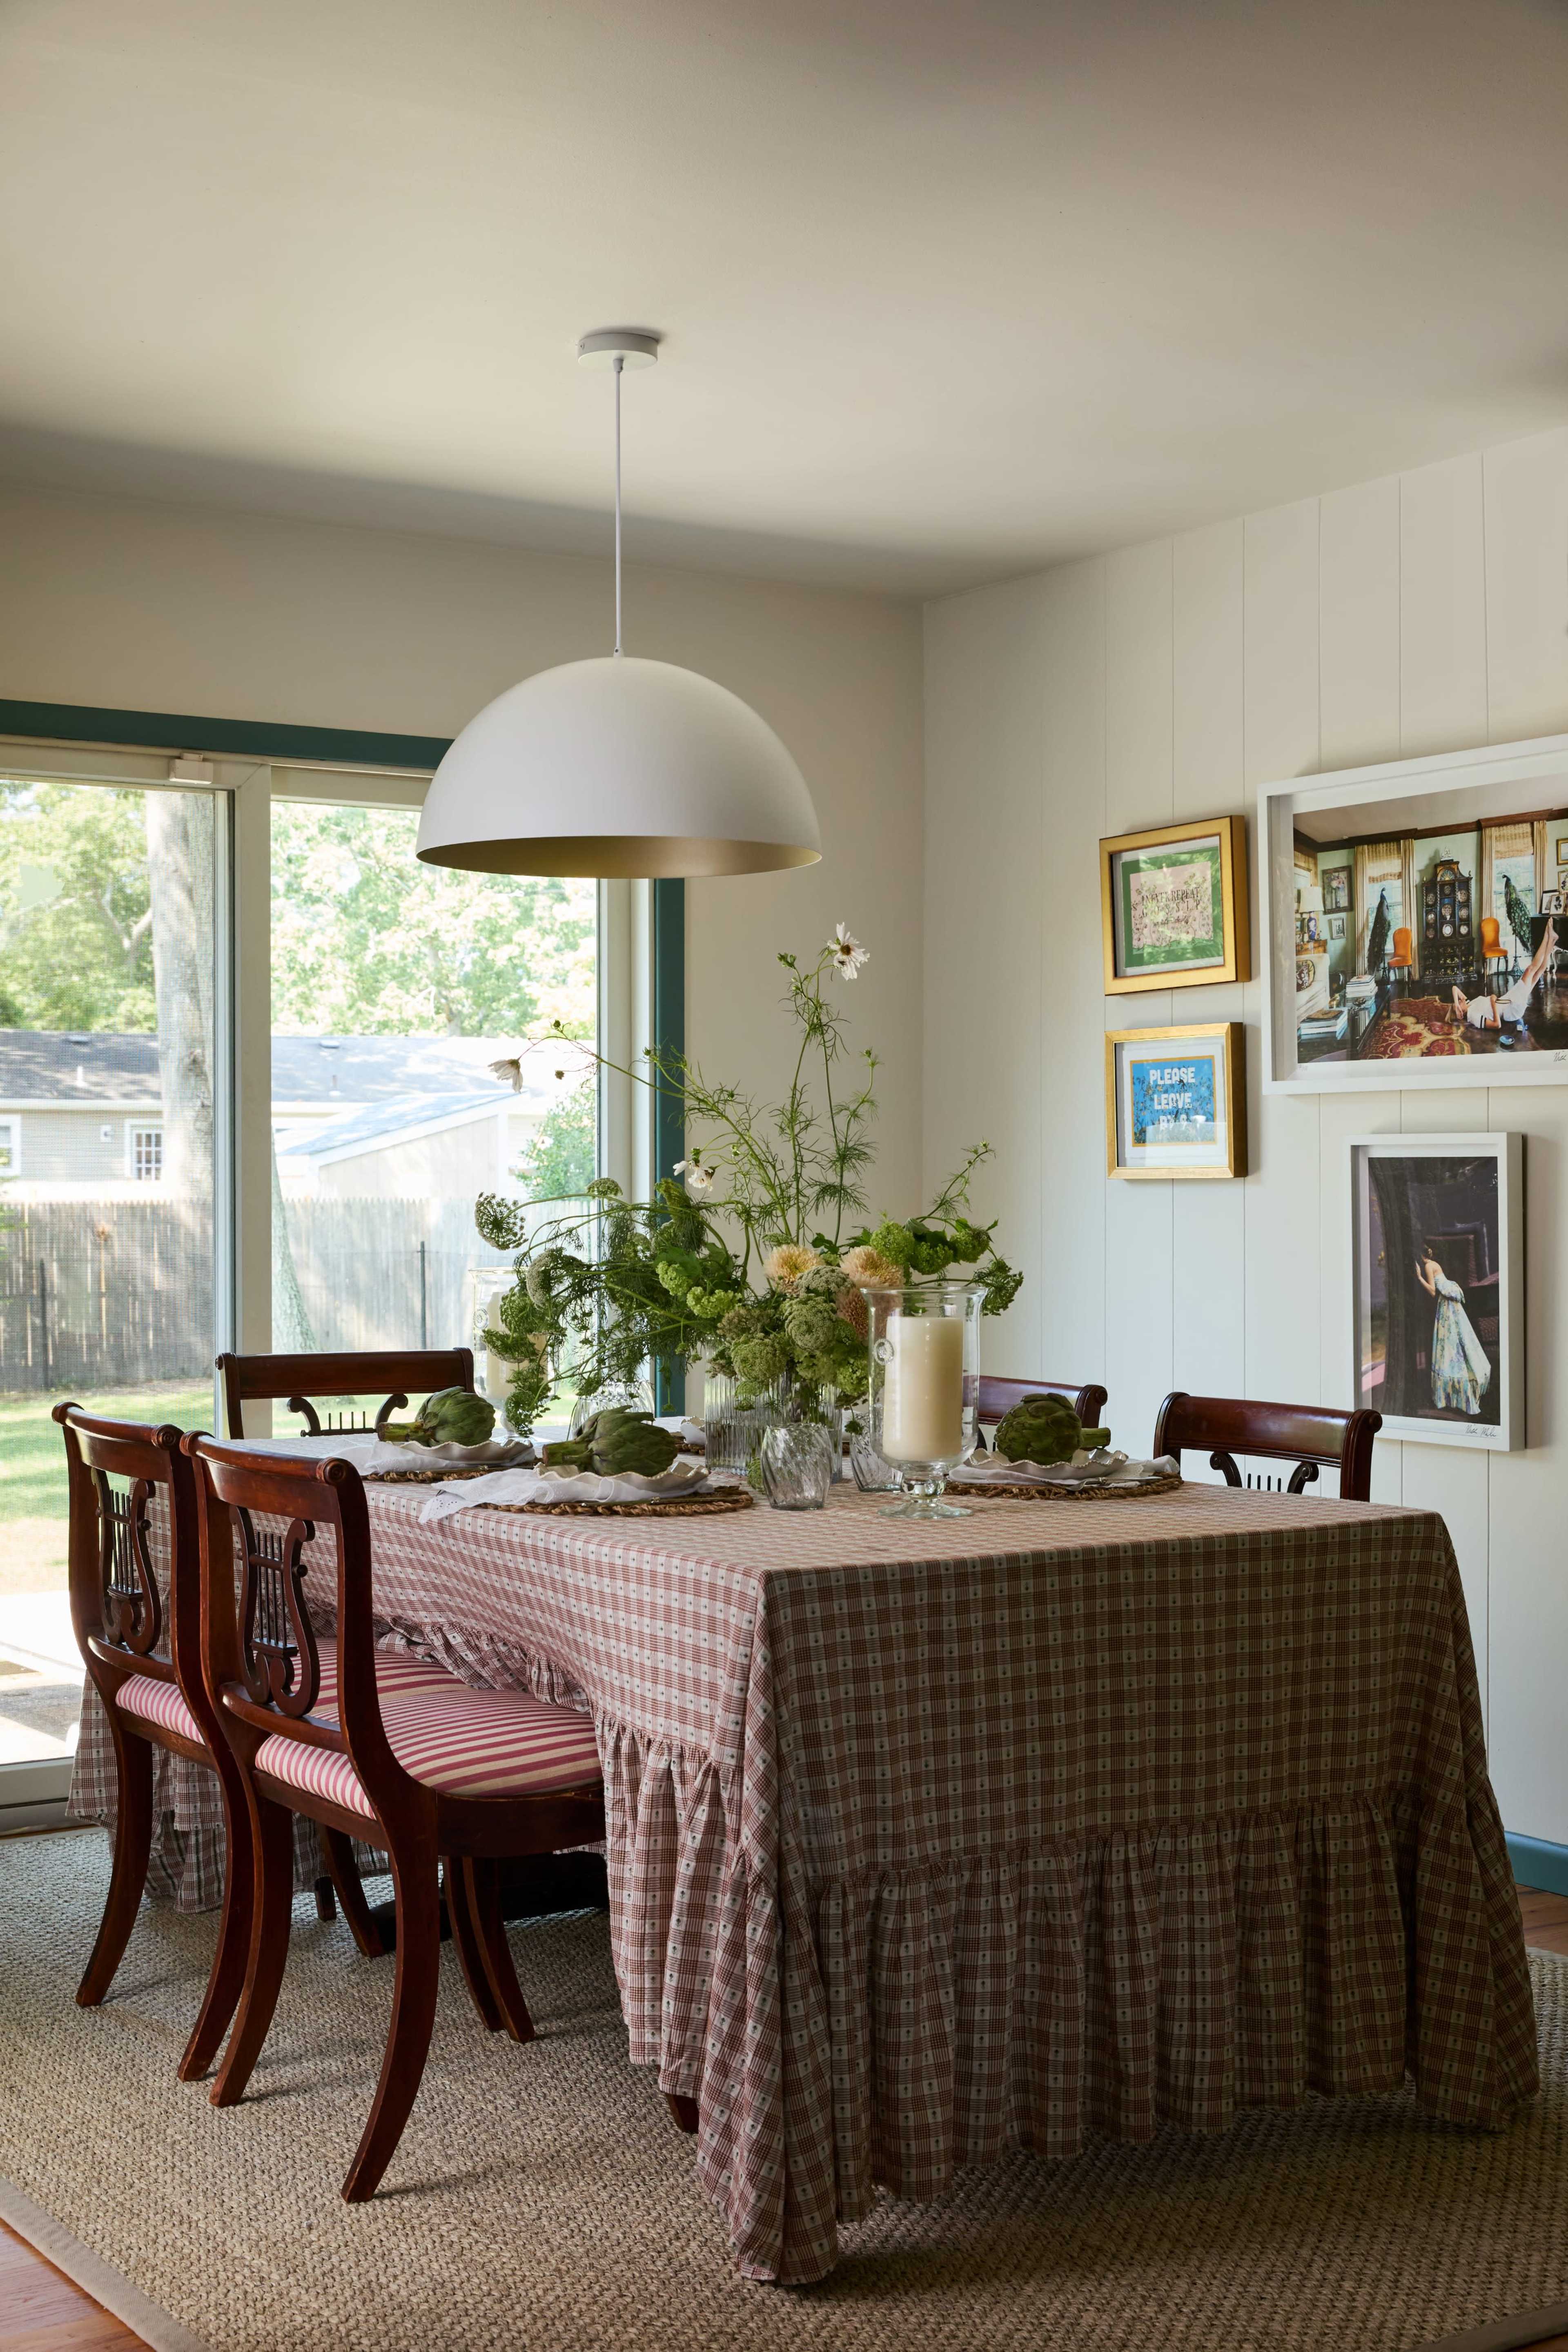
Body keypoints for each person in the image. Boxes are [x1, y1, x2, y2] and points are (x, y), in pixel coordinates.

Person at [1413, 1247, 1492, 1415]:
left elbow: (1433, 1291)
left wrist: (1419, 1277)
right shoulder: (1435, 1264)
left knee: (1450, 1344)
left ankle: (1456, 1391)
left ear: (1422, 1257)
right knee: (1456, 1342)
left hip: (1447, 1307)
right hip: (1449, 1306)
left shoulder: (1429, 1266)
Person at [1451, 916, 1557, 1030]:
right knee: (1530, 970)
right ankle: (1547, 936)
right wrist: (1492, 1002)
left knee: (1538, 973)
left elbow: (1455, 988)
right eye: (1458, 1004)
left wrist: (1457, 1004)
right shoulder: (1473, 1017)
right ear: (1460, 1013)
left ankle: (1551, 940)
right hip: (1511, 1009)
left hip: (1507, 999)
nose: (1461, 1000)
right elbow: (1497, 1025)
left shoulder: (1470, 1004)